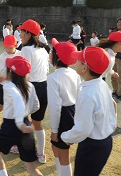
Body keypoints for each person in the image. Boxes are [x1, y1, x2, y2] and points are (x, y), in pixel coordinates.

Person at [61, 46, 117, 176]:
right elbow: (113, 106)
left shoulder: (86, 94)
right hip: (105, 141)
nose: (75, 62)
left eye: (79, 60)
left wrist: (65, 137)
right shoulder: (101, 84)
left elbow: (82, 129)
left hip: (92, 146)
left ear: (84, 67)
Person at [0, 56, 43, 176]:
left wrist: (19, 122)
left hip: (11, 126)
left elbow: (17, 98)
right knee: (31, 168)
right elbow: (36, 106)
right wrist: (24, 118)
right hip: (26, 125)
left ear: (11, 72)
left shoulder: (9, 87)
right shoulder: (30, 86)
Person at [47, 38, 81, 176]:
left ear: (57, 57)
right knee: (57, 148)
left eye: (52, 51)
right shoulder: (74, 73)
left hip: (63, 115)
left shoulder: (53, 78)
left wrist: (54, 130)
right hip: (73, 112)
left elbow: (55, 108)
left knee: (63, 153)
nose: (49, 54)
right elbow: (79, 96)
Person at [18, 19, 49, 164]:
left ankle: (20, 147)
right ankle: (41, 153)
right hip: (44, 86)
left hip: (31, 87)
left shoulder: (26, 49)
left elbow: (24, 72)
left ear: (29, 34)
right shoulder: (43, 48)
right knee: (37, 122)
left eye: (22, 32)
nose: (20, 35)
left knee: (21, 118)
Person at [0, 35, 21, 154]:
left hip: (17, 86)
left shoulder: (20, 54)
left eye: (10, 47)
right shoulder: (2, 56)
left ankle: (15, 138)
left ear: (15, 46)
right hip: (5, 85)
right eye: (6, 47)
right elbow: (4, 71)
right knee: (0, 106)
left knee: (14, 110)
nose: (7, 50)